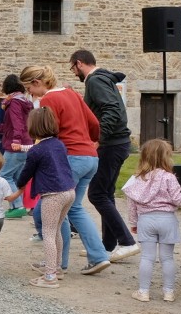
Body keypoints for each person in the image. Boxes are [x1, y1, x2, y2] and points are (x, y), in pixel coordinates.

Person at [18, 65, 111, 275]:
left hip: (71, 157)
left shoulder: (48, 100)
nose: (29, 94)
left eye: (28, 89)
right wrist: (91, 141)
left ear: (36, 83)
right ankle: (96, 256)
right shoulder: (72, 94)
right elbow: (94, 123)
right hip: (89, 156)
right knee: (73, 207)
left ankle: (60, 263)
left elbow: (49, 132)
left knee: (51, 209)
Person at [69, 50, 139, 261]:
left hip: (111, 144)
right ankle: (108, 246)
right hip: (117, 143)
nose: (73, 74)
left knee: (97, 194)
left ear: (79, 64)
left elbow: (112, 110)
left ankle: (126, 242)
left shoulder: (95, 81)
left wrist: (98, 138)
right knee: (105, 193)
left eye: (72, 68)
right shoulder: (102, 79)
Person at [123, 138, 181, 303]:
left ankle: (143, 291)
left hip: (145, 220)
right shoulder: (169, 178)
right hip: (167, 220)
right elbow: (178, 200)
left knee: (147, 257)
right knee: (168, 258)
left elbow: (132, 205)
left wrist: (133, 223)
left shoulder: (136, 180)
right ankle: (168, 292)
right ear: (167, 157)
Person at [10, 107, 76, 289]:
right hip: (69, 191)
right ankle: (56, 267)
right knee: (55, 231)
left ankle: (50, 276)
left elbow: (26, 173)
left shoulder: (36, 150)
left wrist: (19, 186)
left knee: (47, 233)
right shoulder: (59, 144)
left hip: (53, 195)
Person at [0, 75, 32, 219]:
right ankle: (19, 206)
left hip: (16, 145)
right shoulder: (25, 101)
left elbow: (16, 124)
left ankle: (17, 206)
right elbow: (12, 125)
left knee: (5, 174)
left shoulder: (13, 102)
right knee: (16, 177)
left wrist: (16, 140)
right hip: (26, 144)